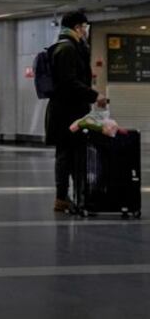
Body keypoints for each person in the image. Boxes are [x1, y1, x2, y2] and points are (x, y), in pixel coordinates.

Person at [45, 11, 107, 212]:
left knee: (71, 155)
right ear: (77, 27)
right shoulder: (67, 49)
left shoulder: (68, 47)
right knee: (67, 155)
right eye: (84, 27)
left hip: (69, 111)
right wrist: (94, 95)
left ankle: (71, 196)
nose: (86, 31)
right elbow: (69, 82)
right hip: (67, 112)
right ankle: (63, 197)